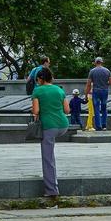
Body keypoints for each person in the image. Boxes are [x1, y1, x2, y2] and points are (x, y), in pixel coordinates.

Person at [31, 66, 68, 201]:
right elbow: (67, 109)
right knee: (50, 156)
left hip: (49, 126)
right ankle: (52, 188)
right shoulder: (59, 90)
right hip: (63, 125)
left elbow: (35, 111)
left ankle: (51, 190)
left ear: (40, 79)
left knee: (48, 159)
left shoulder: (37, 91)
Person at [86, 57, 111, 130]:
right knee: (104, 108)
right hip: (105, 90)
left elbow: (88, 84)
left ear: (95, 62)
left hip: (96, 91)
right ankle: (104, 125)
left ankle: (98, 126)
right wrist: (105, 84)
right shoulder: (107, 71)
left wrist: (86, 94)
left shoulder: (92, 71)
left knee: (96, 109)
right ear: (102, 62)